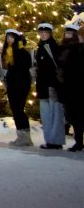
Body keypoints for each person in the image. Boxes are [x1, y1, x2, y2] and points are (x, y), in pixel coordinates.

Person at [0, 28, 33, 147]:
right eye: (8, 37)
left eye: (11, 37)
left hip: (21, 83)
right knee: (15, 109)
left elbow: (25, 67)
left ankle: (25, 137)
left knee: (19, 109)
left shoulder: (21, 51)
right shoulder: (6, 52)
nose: (9, 39)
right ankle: (21, 135)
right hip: (12, 83)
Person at [35, 22, 64, 150]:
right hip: (43, 85)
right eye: (41, 32)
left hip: (52, 85)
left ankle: (55, 140)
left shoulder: (52, 47)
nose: (43, 34)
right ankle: (50, 139)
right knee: (46, 114)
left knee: (55, 114)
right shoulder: (40, 47)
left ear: (50, 33)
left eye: (45, 32)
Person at [57, 22, 83, 152]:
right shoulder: (62, 48)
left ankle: (79, 142)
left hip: (77, 86)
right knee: (72, 115)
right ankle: (78, 141)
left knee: (78, 115)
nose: (67, 35)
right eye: (66, 33)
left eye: (70, 34)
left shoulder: (79, 49)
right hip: (67, 86)